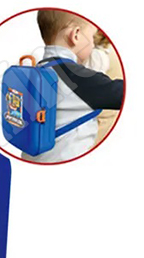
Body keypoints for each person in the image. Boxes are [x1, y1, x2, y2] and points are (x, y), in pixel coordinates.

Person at [23, 10, 124, 163]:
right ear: (75, 35)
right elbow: (122, 94)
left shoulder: (39, 68)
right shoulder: (78, 78)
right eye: (91, 37)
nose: (93, 44)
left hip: (32, 157)